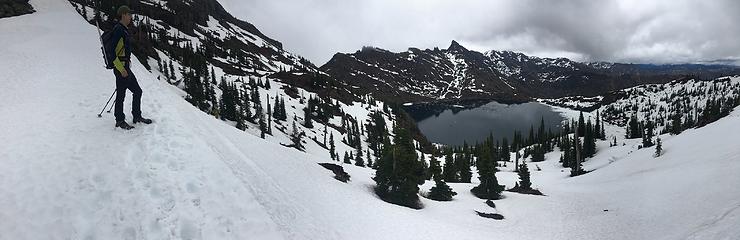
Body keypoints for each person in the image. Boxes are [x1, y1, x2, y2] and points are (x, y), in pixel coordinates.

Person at [111, 5, 151, 130]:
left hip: (125, 68)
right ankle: (119, 120)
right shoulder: (118, 30)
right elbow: (112, 52)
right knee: (121, 95)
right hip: (121, 69)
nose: (131, 17)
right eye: (129, 15)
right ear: (123, 15)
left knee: (137, 91)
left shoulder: (123, 29)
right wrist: (121, 69)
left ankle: (137, 116)